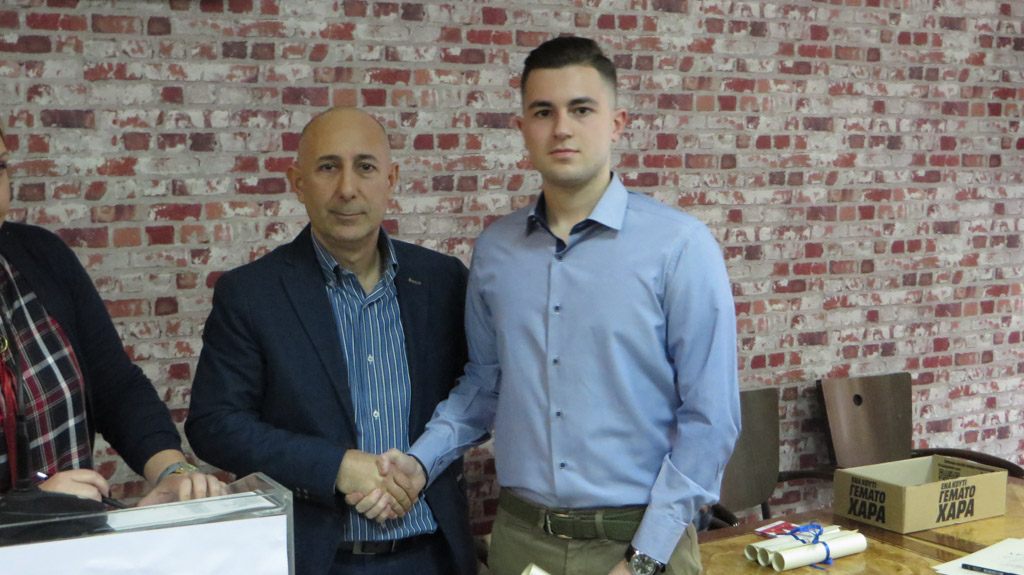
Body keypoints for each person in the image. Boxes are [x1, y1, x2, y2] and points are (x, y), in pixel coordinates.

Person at [369, 37, 741, 575]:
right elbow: (484, 385)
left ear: (616, 123)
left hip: (638, 542)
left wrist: (645, 558)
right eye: (544, 112)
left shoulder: (681, 248)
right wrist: (419, 462)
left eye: (581, 109)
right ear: (522, 127)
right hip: (522, 541)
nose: (562, 128)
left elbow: (711, 419)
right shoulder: (495, 251)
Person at [185, 107, 476, 575]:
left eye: (365, 167)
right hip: (318, 560)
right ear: (298, 182)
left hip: (433, 555)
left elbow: (477, 394)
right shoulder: (252, 294)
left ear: (390, 179)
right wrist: (336, 466)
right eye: (327, 167)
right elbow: (214, 424)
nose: (347, 188)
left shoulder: (443, 281)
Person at [0, 125, 223, 508]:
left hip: (76, 536)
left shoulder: (40, 256)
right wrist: (25, 510)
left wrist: (174, 473)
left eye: (0, 167)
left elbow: (116, 389)